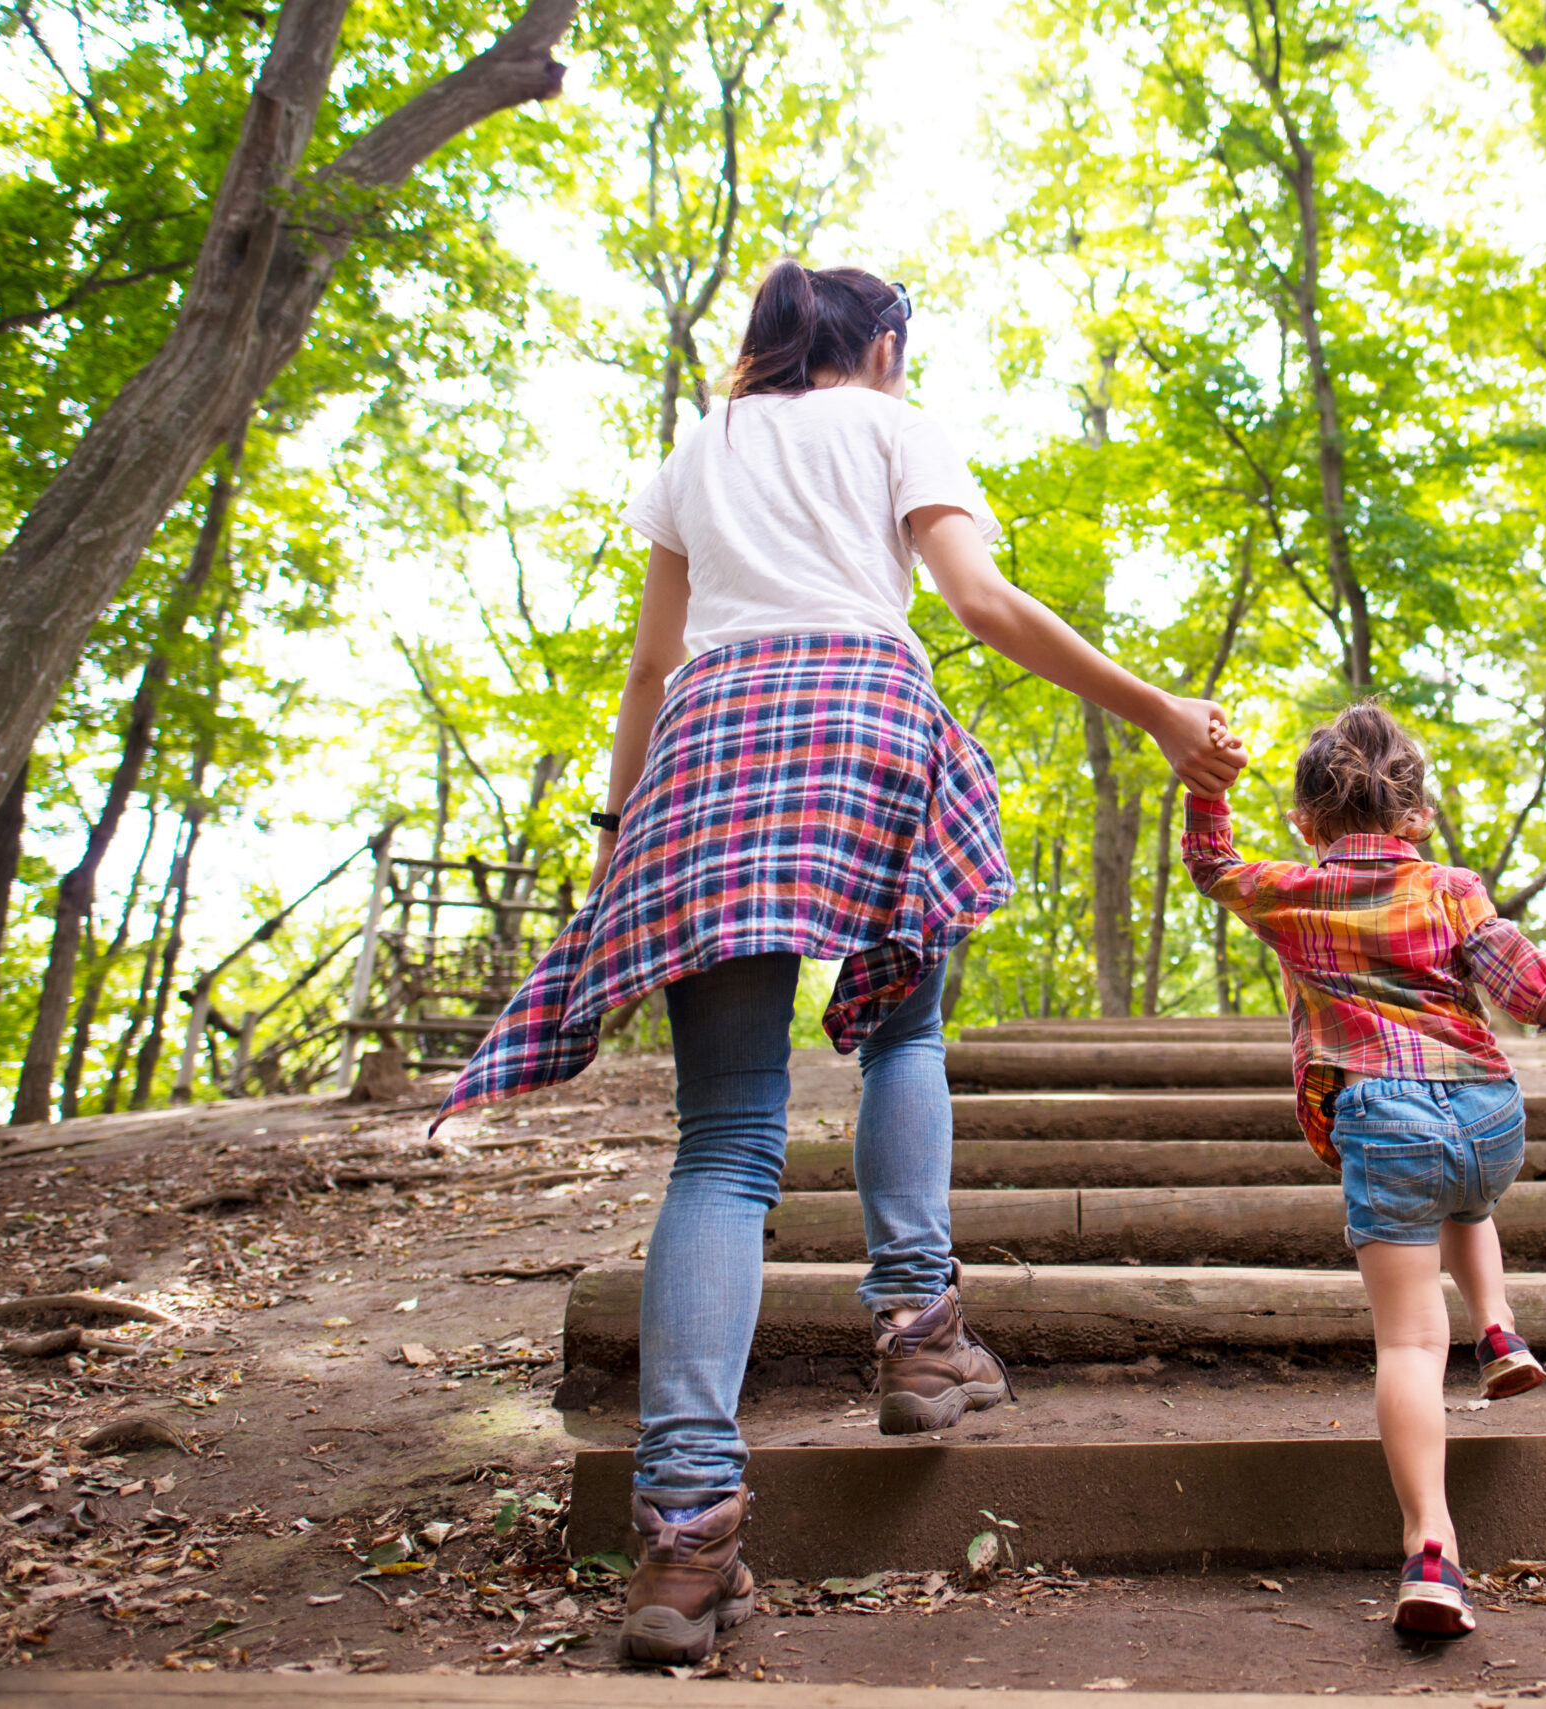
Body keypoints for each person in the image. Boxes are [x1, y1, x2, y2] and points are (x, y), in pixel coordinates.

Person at [432, 260, 1245, 1665]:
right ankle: (922, 1336)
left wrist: (627, 833)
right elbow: (978, 602)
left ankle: (682, 1540)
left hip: (705, 751)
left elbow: (649, 667)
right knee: (904, 1040)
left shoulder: (703, 447)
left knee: (727, 1140)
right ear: (880, 346)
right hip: (863, 718)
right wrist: (1160, 710)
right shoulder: (891, 423)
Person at [1180, 702, 1546, 1639]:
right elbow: (1522, 977)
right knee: (1468, 1194)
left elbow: (1210, 866)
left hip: (1384, 1116)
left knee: (1410, 1344)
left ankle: (1431, 1548)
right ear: (1416, 816)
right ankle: (1497, 1327)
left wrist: (1209, 788)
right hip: (1491, 1112)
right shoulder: (1454, 887)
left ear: (1306, 823)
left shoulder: (1293, 888)